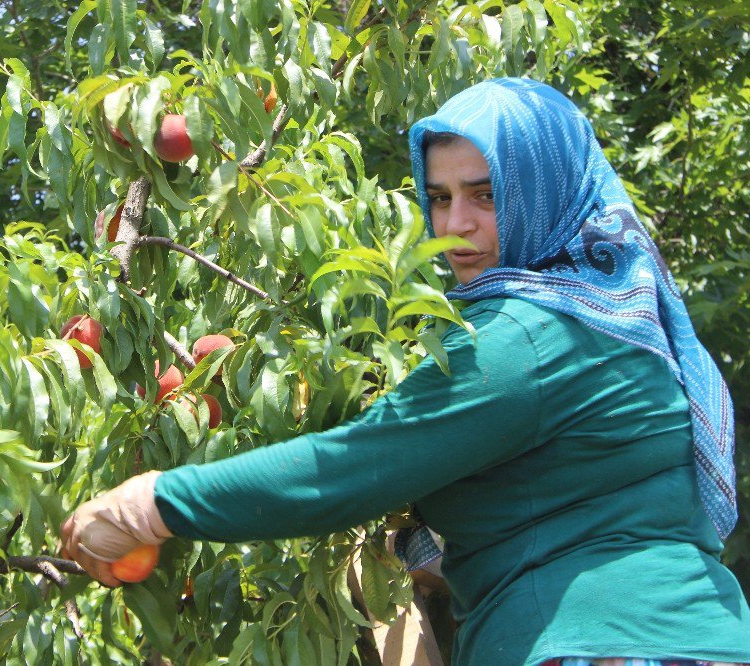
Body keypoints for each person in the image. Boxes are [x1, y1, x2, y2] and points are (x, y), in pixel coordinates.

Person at [60, 78, 750, 665]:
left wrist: (152, 504)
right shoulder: (609, 309)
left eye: (486, 196)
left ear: (546, 189)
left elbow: (350, 469)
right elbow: (571, 502)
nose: (457, 225)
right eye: (441, 197)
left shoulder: (528, 337)